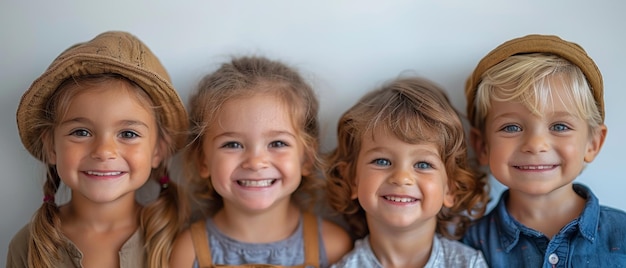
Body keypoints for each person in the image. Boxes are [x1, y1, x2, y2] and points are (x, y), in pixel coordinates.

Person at [6, 31, 189, 268]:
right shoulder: (29, 246)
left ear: (158, 150)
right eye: (81, 132)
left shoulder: (182, 242)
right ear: (51, 146)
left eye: (128, 134)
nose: (104, 151)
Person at [169, 56, 352, 268]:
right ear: (203, 160)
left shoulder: (332, 247)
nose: (255, 162)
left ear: (306, 158)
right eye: (233, 145)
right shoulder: (189, 251)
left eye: (277, 143)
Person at [462, 34, 626, 267]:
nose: (536, 144)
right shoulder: (468, 247)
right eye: (511, 127)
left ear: (592, 144)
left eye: (560, 126)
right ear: (482, 145)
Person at [326, 77, 489, 268]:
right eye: (382, 161)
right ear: (352, 179)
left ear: (451, 188)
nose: (401, 177)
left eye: (422, 164)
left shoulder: (468, 264)